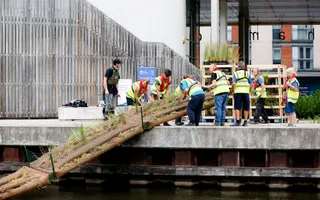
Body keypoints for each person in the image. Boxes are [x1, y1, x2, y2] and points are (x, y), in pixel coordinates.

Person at [231, 61, 253, 127]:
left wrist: (233, 91)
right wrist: (248, 90)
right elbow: (251, 84)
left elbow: (233, 83)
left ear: (238, 67)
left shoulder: (236, 74)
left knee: (237, 107)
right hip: (246, 92)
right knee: (246, 107)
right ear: (244, 67)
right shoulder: (247, 73)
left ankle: (238, 121)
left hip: (238, 92)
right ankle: (245, 121)